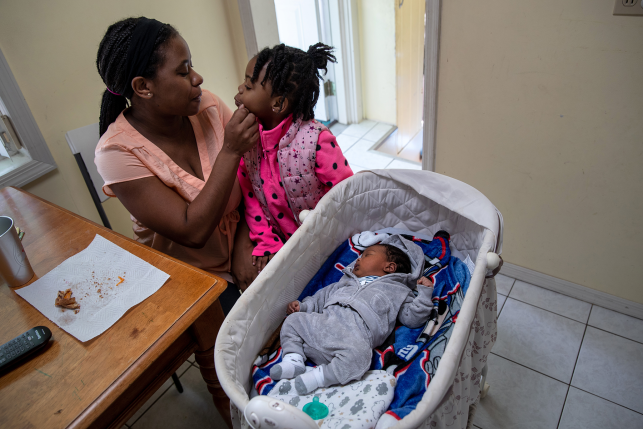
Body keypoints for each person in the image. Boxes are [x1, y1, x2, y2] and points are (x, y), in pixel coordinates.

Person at [94, 17, 259, 310]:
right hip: (189, 276)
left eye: (191, 66)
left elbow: (253, 180)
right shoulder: (116, 153)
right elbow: (191, 231)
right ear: (143, 87)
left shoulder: (206, 106)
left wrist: (244, 242)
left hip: (247, 239)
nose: (197, 78)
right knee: (249, 340)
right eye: (183, 72)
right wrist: (231, 151)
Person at [235, 43, 354, 272]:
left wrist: (323, 237)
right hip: (285, 250)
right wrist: (266, 240)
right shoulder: (247, 140)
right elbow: (250, 196)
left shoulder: (316, 141)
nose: (240, 88)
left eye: (249, 86)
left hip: (325, 245)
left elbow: (346, 194)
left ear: (278, 103)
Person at [270, 235, 434, 395]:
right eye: (360, 255)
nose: (358, 259)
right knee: (293, 321)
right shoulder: (345, 281)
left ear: (389, 267)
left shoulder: (398, 291)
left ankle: (319, 377)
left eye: (366, 255)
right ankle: (294, 359)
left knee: (361, 358)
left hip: (354, 337)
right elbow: (321, 298)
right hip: (324, 324)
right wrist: (304, 307)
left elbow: (412, 318)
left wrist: (424, 295)